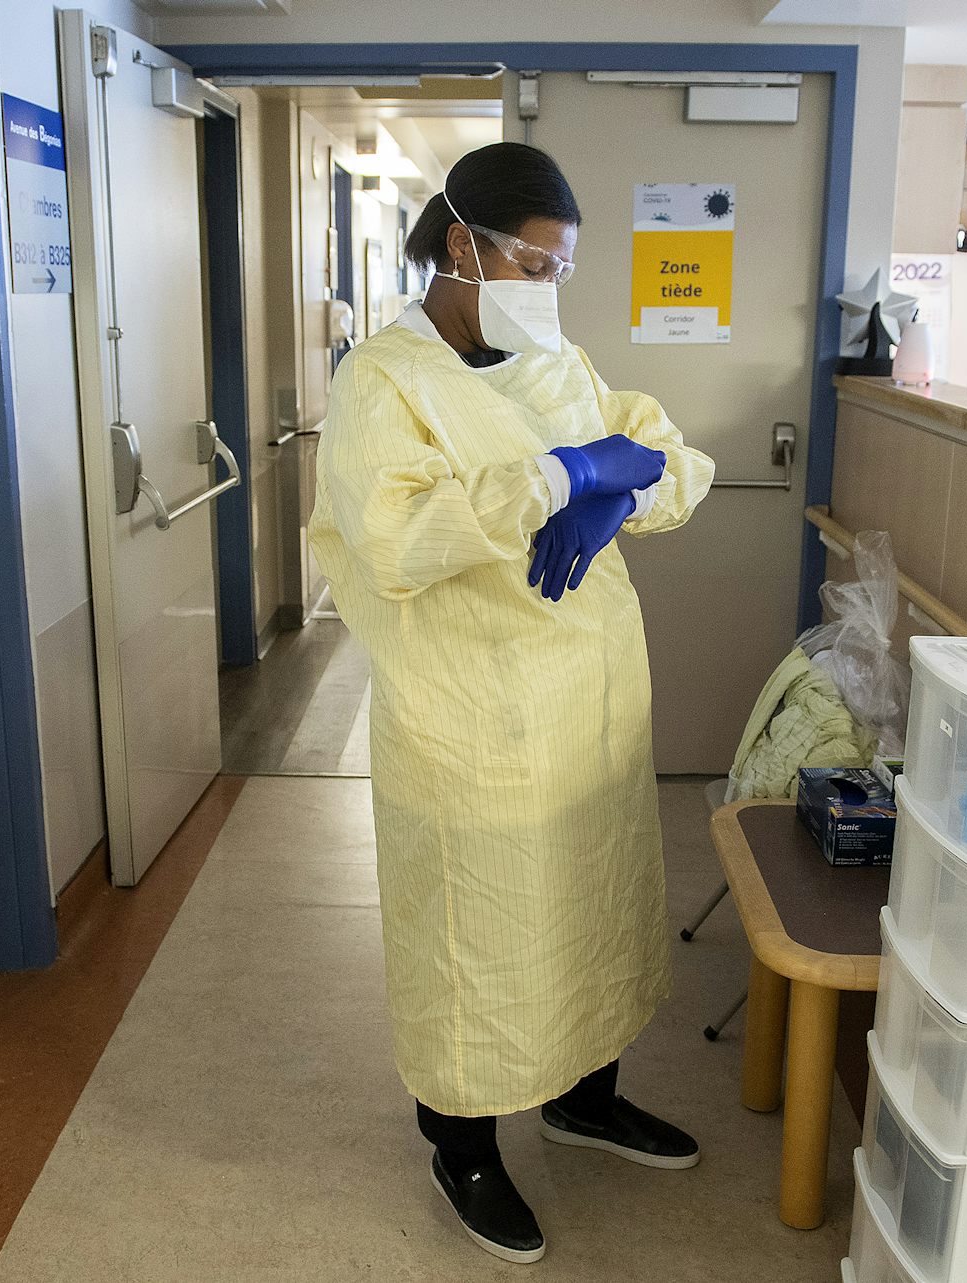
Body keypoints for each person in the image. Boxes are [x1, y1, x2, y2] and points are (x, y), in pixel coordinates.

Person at [310, 142, 716, 1264]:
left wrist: (617, 481)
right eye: (537, 264)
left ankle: (584, 1097)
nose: (550, 292)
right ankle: (464, 1142)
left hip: (584, 698)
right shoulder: (380, 381)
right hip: (469, 715)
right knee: (478, 935)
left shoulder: (556, 364)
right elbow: (393, 534)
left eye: (562, 273)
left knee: (590, 902)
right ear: (462, 246)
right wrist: (556, 476)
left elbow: (681, 464)